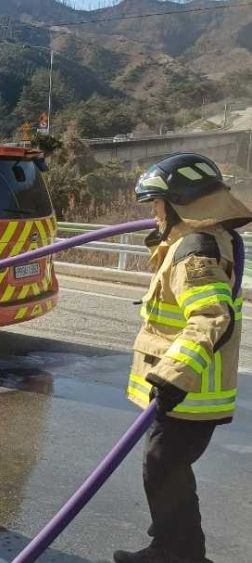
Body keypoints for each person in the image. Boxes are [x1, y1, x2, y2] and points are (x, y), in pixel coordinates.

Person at [115, 154, 251, 563]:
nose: (153, 213)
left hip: (189, 393)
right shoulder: (195, 241)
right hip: (188, 394)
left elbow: (211, 317)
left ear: (182, 203)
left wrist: (174, 376)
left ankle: (178, 553)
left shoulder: (194, 250)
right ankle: (177, 549)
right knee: (164, 468)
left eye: (157, 204)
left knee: (162, 466)